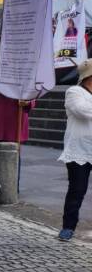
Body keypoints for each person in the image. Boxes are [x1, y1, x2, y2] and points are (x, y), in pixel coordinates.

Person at [59, 59, 92, 241]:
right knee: (77, 190)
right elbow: (81, 110)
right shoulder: (74, 92)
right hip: (79, 150)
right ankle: (68, 227)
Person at [0, 81, 35, 173]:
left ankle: (12, 185)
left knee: (11, 155)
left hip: (12, 126)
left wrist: (26, 102)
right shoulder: (0, 81)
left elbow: (31, 98)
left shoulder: (22, 81)